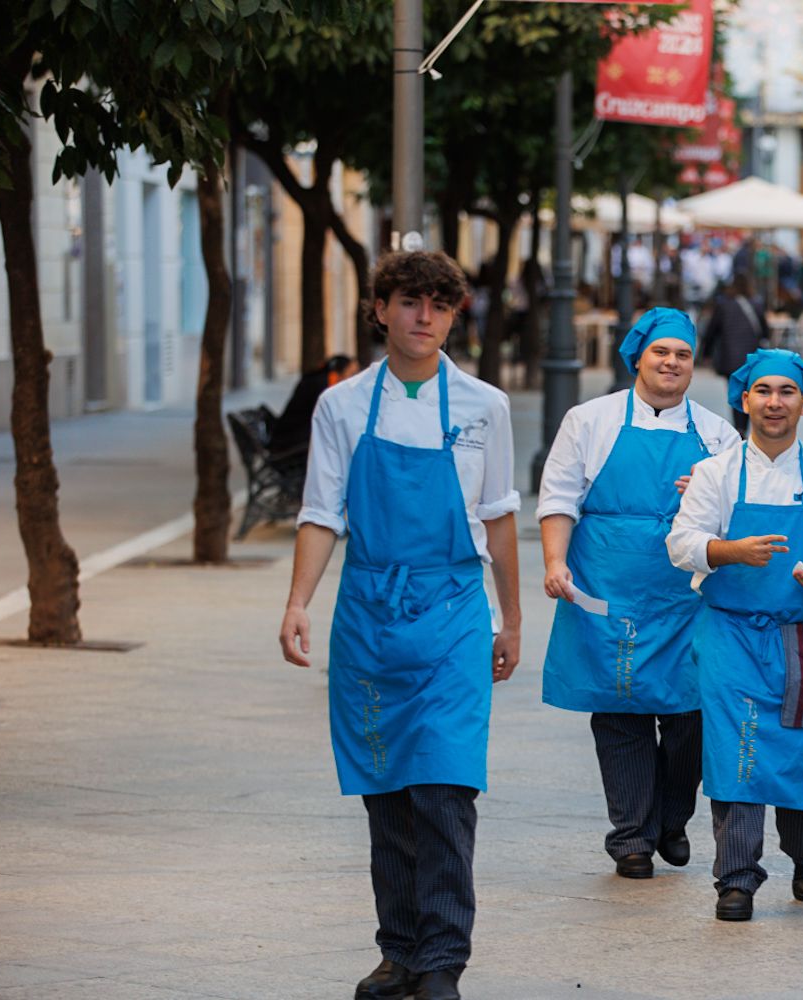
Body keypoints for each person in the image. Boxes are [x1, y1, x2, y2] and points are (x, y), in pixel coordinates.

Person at [278, 251, 522, 1000]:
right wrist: (297, 603)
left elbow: (500, 517)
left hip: (452, 612)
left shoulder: (485, 405)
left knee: (444, 790)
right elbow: (321, 513)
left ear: (454, 316)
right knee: (386, 791)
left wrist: (511, 618)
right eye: (409, 302)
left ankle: (443, 958)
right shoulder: (343, 406)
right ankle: (399, 951)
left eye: (439, 306)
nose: (425, 318)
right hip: (370, 617)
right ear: (379, 309)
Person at [666, 349, 803, 922]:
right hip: (730, 635)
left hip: (802, 639)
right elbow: (682, 542)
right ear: (743, 400)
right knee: (736, 751)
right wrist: (732, 552)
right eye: (763, 391)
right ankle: (735, 878)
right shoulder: (717, 473)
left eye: (786, 391)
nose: (774, 402)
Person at [537, 308, 741, 880]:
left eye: (682, 354)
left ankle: (671, 818)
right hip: (607, 586)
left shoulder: (718, 434)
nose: (672, 363)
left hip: (686, 595)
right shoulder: (589, 420)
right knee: (619, 713)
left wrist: (708, 494)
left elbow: (737, 515)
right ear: (638, 357)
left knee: (689, 715)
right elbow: (558, 498)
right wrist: (556, 563)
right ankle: (631, 837)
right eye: (661, 352)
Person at [702, 274, 769, 435]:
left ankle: (740, 428)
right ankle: (748, 425)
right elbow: (765, 330)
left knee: (735, 393)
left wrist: (706, 353)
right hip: (751, 359)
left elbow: (712, 330)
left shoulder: (723, 304)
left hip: (730, 357)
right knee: (751, 391)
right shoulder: (757, 303)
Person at [268, 354, 360, 458]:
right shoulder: (321, 386)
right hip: (292, 442)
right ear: (339, 372)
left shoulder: (319, 381)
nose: (355, 378)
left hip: (292, 437)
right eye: (352, 373)